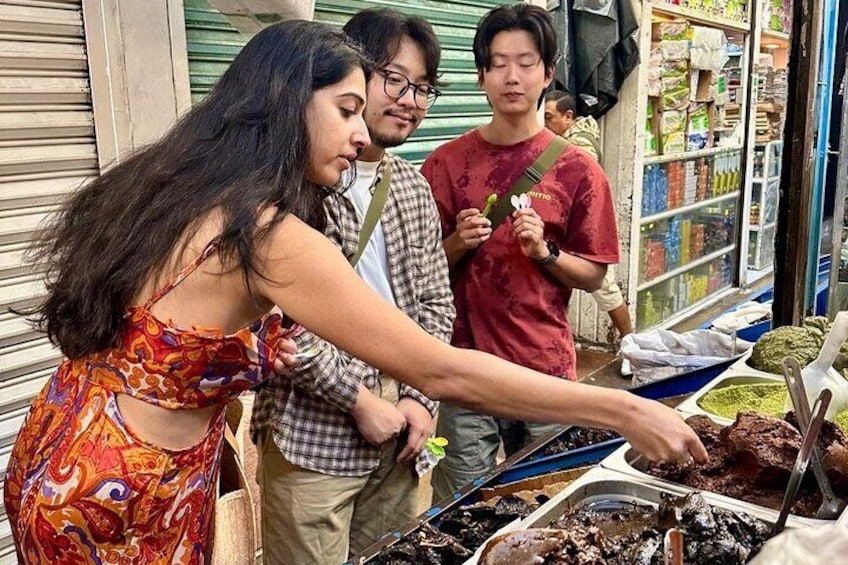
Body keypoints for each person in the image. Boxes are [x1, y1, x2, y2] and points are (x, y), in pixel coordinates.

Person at [4, 18, 706, 565]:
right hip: (125, 492)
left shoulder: (176, 185)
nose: (360, 130)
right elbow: (439, 366)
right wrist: (620, 407)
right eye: (345, 109)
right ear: (284, 104)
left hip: (67, 448)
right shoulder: (267, 232)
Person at [250, 8, 453, 564]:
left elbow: (436, 300)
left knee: (403, 554)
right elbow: (283, 326)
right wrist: (359, 399)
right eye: (394, 79)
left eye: (424, 88)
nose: (410, 99)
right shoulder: (294, 190)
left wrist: (419, 397)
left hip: (408, 431)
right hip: (315, 433)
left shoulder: (411, 186)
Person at [421, 3, 630, 502]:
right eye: (498, 63)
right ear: (481, 75)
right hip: (464, 372)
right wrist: (455, 243)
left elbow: (594, 277)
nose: (512, 77)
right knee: (460, 507)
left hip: (546, 370)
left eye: (526, 62)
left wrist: (545, 252)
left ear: (548, 73)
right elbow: (419, 274)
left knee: (549, 502)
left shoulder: (579, 170)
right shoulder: (445, 164)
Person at [544, 89, 635, 342]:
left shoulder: (579, 146)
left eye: (549, 118)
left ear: (569, 117)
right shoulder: (570, 139)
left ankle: (631, 344)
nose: (544, 124)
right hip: (569, 225)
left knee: (605, 288)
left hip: (583, 227)